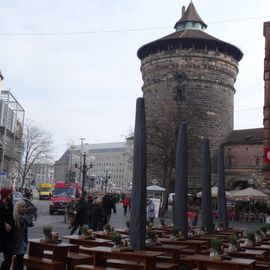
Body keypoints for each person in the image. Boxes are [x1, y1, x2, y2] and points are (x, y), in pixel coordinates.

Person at [0, 188, 14, 270]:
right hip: (0, 235)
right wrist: (4, 224)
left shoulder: (10, 206)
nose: (12, 196)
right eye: (10, 195)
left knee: (9, 255)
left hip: (8, 236)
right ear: (5, 195)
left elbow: (12, 219)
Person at [13, 200, 28, 270]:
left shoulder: (25, 217)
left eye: (25, 206)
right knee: (16, 260)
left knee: (20, 260)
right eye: (22, 207)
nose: (24, 208)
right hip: (15, 242)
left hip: (22, 242)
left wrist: (26, 242)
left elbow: (26, 233)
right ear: (18, 208)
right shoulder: (14, 218)